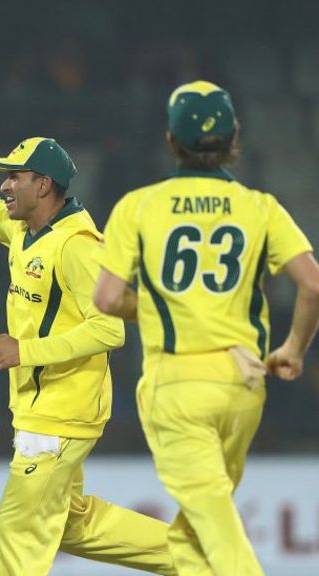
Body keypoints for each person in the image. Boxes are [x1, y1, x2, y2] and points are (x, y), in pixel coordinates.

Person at [0, 98, 175, 576]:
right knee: (71, 524)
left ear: (43, 185)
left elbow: (110, 329)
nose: (4, 185)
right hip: (42, 408)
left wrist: (24, 351)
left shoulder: (77, 246)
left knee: (19, 530)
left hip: (62, 413)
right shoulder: (27, 230)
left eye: (14, 176)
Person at [94, 80, 319, 576]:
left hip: (176, 386)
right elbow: (313, 284)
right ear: (235, 137)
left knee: (215, 527)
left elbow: (106, 298)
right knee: (196, 531)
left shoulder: (139, 206)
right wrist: (294, 349)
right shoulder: (260, 206)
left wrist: (157, 310)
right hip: (243, 383)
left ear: (171, 140)